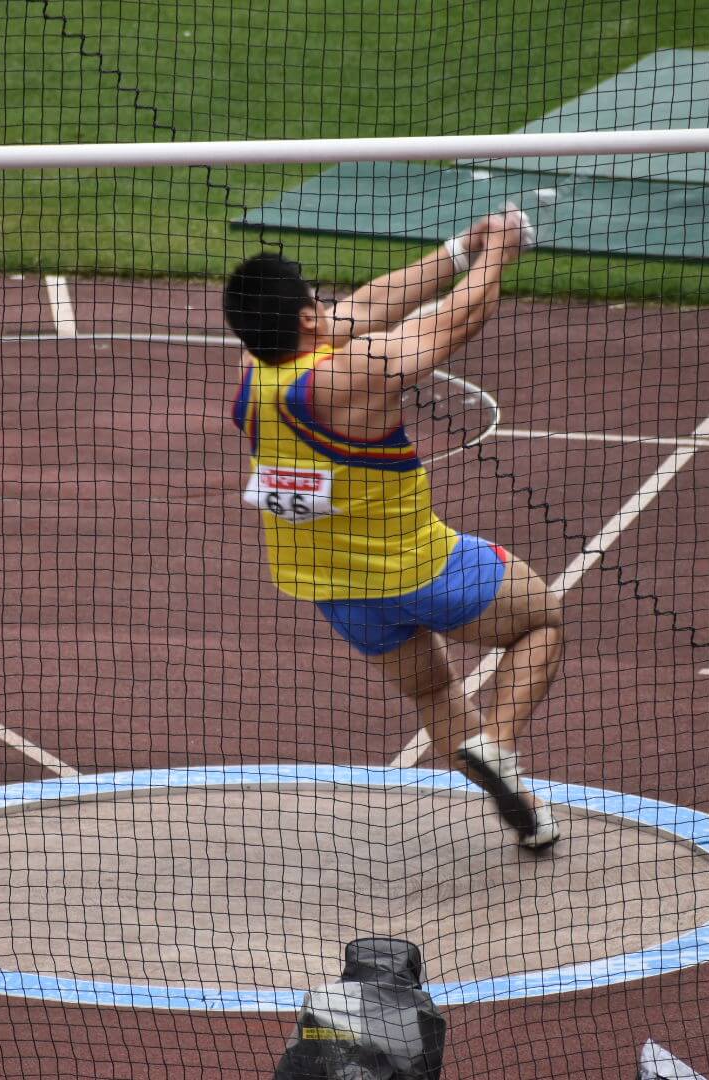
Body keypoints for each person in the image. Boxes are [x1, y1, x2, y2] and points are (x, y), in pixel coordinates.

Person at [223, 208, 565, 850]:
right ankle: (498, 741)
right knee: (541, 622)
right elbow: (457, 321)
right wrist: (501, 253)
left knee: (435, 689)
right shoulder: (352, 377)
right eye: (316, 301)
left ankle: (521, 806)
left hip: (336, 591)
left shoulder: (255, 372)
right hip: (423, 569)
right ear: (304, 318)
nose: (330, 306)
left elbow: (368, 304)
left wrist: (458, 252)